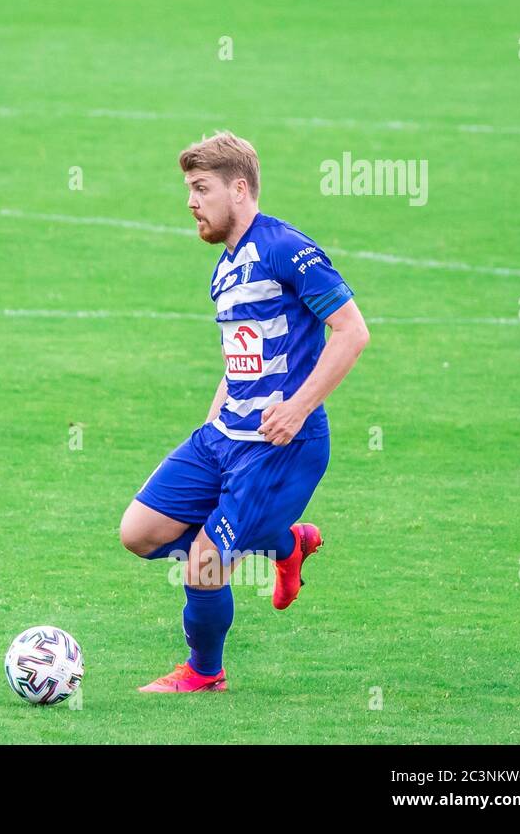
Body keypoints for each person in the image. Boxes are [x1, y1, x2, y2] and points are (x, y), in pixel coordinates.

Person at [120, 132, 370, 692]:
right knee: (137, 532)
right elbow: (240, 361)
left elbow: (352, 332)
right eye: (188, 189)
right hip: (224, 436)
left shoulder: (286, 248)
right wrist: (212, 425)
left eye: (201, 188)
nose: (191, 202)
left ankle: (205, 673)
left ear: (239, 189)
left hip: (282, 445)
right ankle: (285, 542)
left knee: (205, 564)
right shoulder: (225, 268)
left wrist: (298, 409)